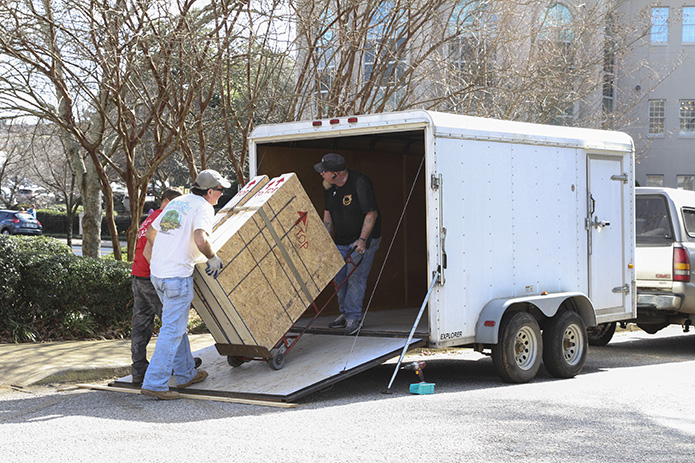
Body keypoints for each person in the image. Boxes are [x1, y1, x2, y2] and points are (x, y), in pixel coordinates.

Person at [140, 170, 230, 400]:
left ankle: (185, 373)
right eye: (220, 191)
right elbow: (201, 238)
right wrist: (212, 257)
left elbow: (152, 233)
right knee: (172, 330)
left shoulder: (178, 202)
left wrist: (169, 251)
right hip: (177, 277)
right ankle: (155, 383)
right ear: (210, 191)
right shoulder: (204, 207)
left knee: (175, 326)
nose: (221, 195)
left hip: (158, 274)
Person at [130, 187, 203, 386]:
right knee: (174, 326)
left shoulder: (151, 217)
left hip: (137, 275)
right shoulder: (167, 216)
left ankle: (138, 370)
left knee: (141, 325)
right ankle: (184, 369)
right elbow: (148, 250)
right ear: (170, 201)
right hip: (153, 276)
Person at [315, 153, 381, 335]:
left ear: (336, 173)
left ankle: (354, 317)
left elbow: (371, 214)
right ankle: (345, 313)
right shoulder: (329, 186)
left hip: (362, 240)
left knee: (355, 278)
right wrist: (325, 241)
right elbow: (328, 214)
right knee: (339, 278)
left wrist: (362, 240)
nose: (321, 174)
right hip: (341, 239)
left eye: (324, 171)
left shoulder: (360, 183)